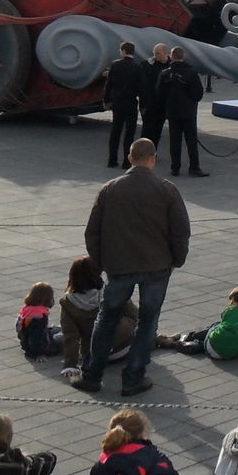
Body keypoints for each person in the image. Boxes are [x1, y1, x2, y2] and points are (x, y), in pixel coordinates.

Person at [74, 137, 191, 397]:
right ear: (153, 159)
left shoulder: (110, 189)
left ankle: (91, 376)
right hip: (157, 266)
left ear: (129, 158)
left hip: (119, 267)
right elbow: (181, 231)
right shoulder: (167, 189)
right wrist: (177, 260)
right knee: (148, 322)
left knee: (106, 319)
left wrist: (100, 263)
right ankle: (133, 378)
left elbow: (92, 232)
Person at [59, 255, 136, 383]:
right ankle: (156, 339)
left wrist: (70, 364)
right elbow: (134, 314)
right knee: (132, 323)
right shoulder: (111, 291)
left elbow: (71, 336)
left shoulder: (67, 302)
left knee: (60, 333)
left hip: (93, 355)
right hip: (124, 347)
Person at [157, 285, 238, 362]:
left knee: (214, 326)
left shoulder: (230, 311)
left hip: (213, 345)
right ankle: (175, 343)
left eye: (232, 300)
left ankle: (185, 338)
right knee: (202, 345)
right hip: (233, 354)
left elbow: (224, 322)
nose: (230, 303)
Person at [157, 46, 208, 177]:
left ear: (171, 56)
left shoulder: (165, 74)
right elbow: (198, 94)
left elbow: (159, 94)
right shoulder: (191, 73)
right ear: (183, 56)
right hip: (188, 112)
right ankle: (194, 167)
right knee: (191, 141)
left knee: (174, 141)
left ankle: (175, 167)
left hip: (172, 112)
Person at [103, 40, 144, 169]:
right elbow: (142, 88)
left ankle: (112, 159)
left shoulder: (115, 65)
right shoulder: (138, 67)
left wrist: (106, 100)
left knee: (116, 130)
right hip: (131, 102)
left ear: (124, 51)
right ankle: (127, 161)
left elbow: (109, 84)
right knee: (129, 133)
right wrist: (143, 105)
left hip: (117, 102)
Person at [15, 282, 62, 359]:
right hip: (45, 348)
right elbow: (36, 337)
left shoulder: (26, 309)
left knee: (57, 329)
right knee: (66, 335)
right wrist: (39, 354)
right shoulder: (39, 317)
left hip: (26, 344)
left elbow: (20, 331)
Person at [139, 43, 171, 150]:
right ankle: (143, 153)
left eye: (158, 53)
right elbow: (143, 86)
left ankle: (153, 152)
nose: (155, 56)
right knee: (146, 131)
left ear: (165, 53)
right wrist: (143, 104)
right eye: (154, 53)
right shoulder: (148, 65)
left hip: (163, 105)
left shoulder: (171, 66)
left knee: (157, 131)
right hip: (149, 104)